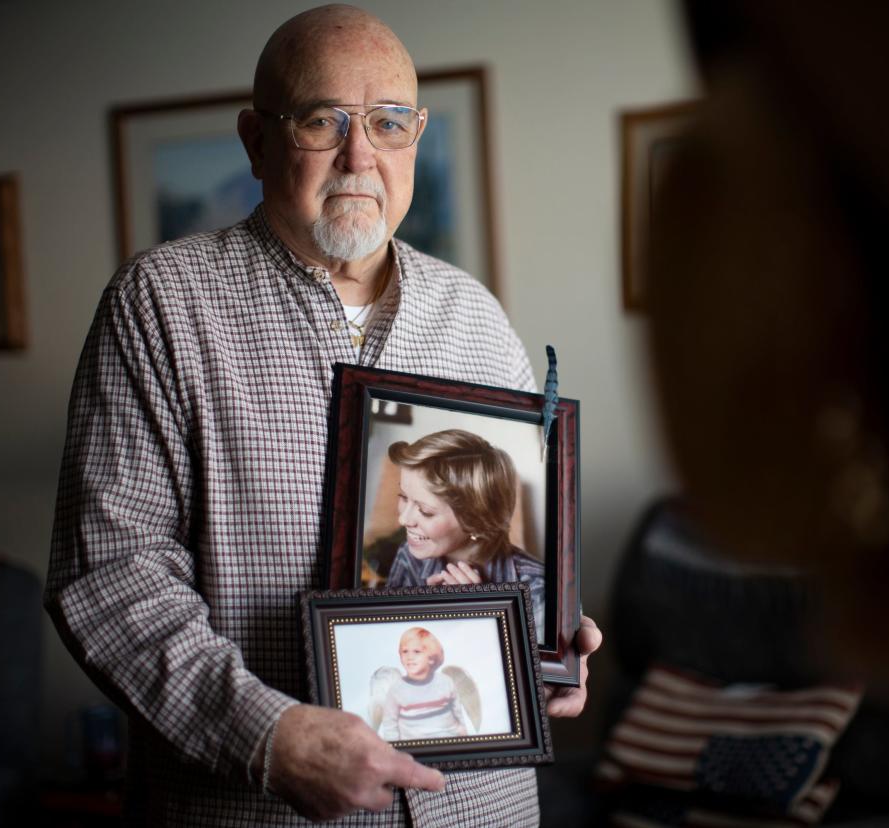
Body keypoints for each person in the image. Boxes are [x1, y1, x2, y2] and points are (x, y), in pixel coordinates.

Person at [44, 5, 600, 825]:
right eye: (320, 120)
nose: (359, 156)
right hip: (251, 807)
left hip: (483, 805)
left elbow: (512, 538)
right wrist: (268, 736)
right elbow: (108, 573)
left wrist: (549, 641)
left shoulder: (476, 316)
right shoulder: (160, 302)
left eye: (388, 123)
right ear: (256, 140)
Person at [383, 429, 546, 638]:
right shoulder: (409, 556)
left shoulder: (538, 590)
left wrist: (483, 622)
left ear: (476, 522)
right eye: (403, 497)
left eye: (426, 511)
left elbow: (539, 671)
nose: (403, 519)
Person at [375, 627, 472, 741]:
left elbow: (458, 715)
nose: (409, 657)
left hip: (449, 742)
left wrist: (465, 740)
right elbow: (390, 726)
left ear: (431, 658)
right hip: (415, 748)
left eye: (417, 651)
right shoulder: (396, 690)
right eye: (405, 651)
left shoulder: (445, 682)